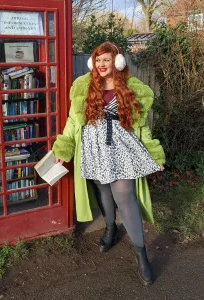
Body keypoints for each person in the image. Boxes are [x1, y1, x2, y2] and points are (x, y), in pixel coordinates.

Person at [52, 41, 165, 285]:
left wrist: (156, 155)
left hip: (121, 147)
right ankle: (110, 228)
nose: (102, 64)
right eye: (99, 60)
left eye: (107, 60)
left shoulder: (132, 87)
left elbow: (141, 126)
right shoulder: (83, 85)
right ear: (93, 62)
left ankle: (141, 255)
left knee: (124, 195)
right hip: (92, 147)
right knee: (102, 189)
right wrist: (64, 148)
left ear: (118, 62)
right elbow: (73, 123)